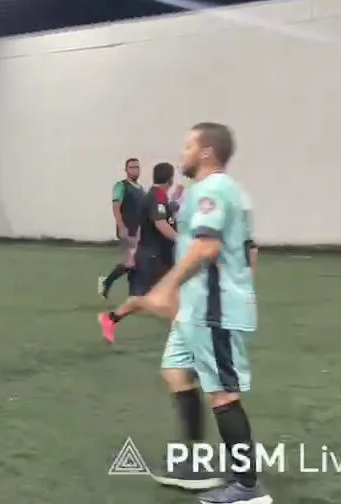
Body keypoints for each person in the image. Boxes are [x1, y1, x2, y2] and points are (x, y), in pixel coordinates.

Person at [129, 123, 267, 503]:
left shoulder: (213, 190)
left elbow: (207, 249)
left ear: (207, 152)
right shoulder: (219, 191)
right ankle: (193, 463)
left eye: (188, 145)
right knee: (176, 371)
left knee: (222, 393)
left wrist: (166, 288)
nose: (182, 152)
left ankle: (248, 488)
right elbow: (250, 249)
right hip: (197, 309)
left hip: (213, 310)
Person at [98, 161, 178, 342]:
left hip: (160, 255)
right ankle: (110, 318)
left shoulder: (155, 195)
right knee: (141, 299)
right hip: (153, 256)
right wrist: (180, 239)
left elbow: (149, 223)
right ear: (170, 179)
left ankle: (181, 332)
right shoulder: (156, 196)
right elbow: (160, 223)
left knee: (171, 292)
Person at [99, 157, 143, 299]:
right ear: (126, 170)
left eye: (137, 167)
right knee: (131, 262)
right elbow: (116, 208)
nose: (135, 170)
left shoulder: (141, 189)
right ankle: (106, 282)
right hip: (127, 229)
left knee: (135, 263)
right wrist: (121, 226)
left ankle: (134, 294)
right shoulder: (121, 186)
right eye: (132, 167)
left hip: (138, 231)